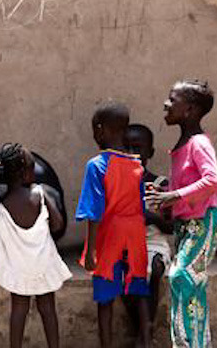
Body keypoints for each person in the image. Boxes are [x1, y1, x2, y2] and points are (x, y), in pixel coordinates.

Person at [146, 80, 217, 348]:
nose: (165, 104)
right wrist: (165, 195)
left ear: (189, 109)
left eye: (172, 100)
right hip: (186, 225)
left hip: (203, 221)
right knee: (189, 284)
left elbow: (213, 181)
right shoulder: (183, 145)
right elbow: (186, 186)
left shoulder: (198, 143)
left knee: (181, 276)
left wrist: (173, 195)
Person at [0, 142, 72, 348]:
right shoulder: (39, 195)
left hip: (18, 266)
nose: (35, 172)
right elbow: (58, 225)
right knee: (47, 309)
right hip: (43, 265)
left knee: (19, 310)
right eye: (32, 167)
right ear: (23, 173)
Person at [75, 103, 152, 348]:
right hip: (135, 233)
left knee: (105, 297)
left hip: (110, 234)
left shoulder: (97, 165)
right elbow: (141, 206)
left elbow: (94, 211)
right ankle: (146, 341)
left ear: (100, 130)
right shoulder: (137, 165)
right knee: (139, 289)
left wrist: (91, 251)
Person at [123, 123, 175, 331]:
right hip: (124, 244)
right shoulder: (115, 183)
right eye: (126, 147)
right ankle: (141, 330)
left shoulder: (160, 185)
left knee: (153, 269)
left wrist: (152, 218)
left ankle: (146, 329)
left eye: (137, 148)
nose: (132, 153)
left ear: (150, 152)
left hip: (153, 242)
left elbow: (171, 227)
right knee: (123, 272)